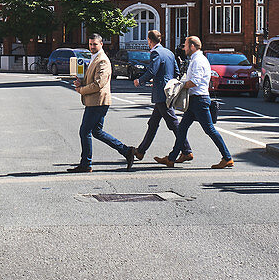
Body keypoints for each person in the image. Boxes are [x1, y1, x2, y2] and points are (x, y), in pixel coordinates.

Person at [154, 35, 234, 169]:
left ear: (192, 46)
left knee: (209, 129)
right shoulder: (197, 59)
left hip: (199, 100)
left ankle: (227, 157)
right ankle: (172, 158)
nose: (184, 48)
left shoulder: (198, 61)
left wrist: (180, 86)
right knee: (182, 129)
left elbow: (195, 82)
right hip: (195, 100)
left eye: (185, 45)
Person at [69, 33, 135, 173]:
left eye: (95, 44)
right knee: (97, 132)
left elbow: (98, 84)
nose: (92, 47)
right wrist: (81, 82)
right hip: (95, 101)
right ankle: (126, 151)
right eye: (90, 44)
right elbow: (92, 80)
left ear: (101, 44)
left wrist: (81, 89)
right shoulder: (94, 58)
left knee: (84, 131)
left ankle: (86, 164)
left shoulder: (103, 60)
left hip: (98, 101)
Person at [129, 30, 192, 163]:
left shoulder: (156, 53)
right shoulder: (169, 52)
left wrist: (139, 81)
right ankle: (140, 151)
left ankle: (187, 151)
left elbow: (152, 70)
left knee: (173, 123)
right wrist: (168, 82)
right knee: (153, 123)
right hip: (167, 90)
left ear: (149, 41)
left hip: (162, 93)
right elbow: (176, 72)